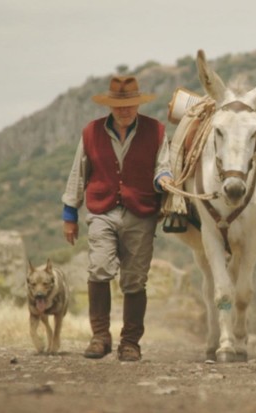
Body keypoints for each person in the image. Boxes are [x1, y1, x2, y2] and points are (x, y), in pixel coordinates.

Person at [61, 75, 173, 362]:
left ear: (137, 104)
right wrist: (69, 214)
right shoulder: (91, 132)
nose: (124, 111)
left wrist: (165, 178)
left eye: (130, 105)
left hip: (141, 212)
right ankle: (100, 336)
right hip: (102, 210)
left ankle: (130, 342)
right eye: (118, 106)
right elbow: (78, 172)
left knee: (135, 280)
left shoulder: (157, 131)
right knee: (98, 267)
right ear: (110, 106)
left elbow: (164, 165)